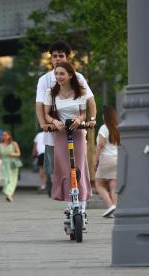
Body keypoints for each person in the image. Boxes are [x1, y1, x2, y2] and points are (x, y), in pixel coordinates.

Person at [35, 40, 97, 197]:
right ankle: (68, 198)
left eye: (61, 56)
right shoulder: (44, 80)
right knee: (57, 170)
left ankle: (79, 200)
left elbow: (90, 100)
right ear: (50, 58)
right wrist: (44, 124)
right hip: (54, 130)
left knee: (78, 167)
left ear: (68, 58)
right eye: (54, 56)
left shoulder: (78, 77)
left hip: (75, 129)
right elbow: (40, 105)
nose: (57, 59)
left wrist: (92, 119)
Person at [44, 62, 91, 213]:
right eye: (56, 74)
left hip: (77, 132)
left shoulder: (81, 92)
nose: (58, 77)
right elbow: (46, 114)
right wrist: (54, 121)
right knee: (65, 170)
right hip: (61, 134)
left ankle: (82, 207)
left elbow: (83, 113)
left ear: (70, 75)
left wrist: (79, 120)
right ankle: (71, 206)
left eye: (62, 74)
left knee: (79, 170)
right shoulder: (51, 93)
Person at [93, 106, 119, 218]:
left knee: (98, 184)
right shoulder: (117, 128)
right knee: (113, 185)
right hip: (117, 158)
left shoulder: (104, 128)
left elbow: (101, 145)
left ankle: (110, 206)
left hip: (106, 158)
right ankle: (115, 209)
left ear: (105, 116)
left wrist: (95, 159)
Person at [0, 131, 21, 202]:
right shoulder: (0, 145)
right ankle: (9, 194)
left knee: (12, 179)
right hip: (4, 164)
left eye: (5, 135)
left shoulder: (14, 144)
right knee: (5, 179)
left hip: (12, 164)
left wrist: (13, 154)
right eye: (2, 135)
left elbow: (19, 153)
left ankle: (9, 195)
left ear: (9, 136)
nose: (3, 136)